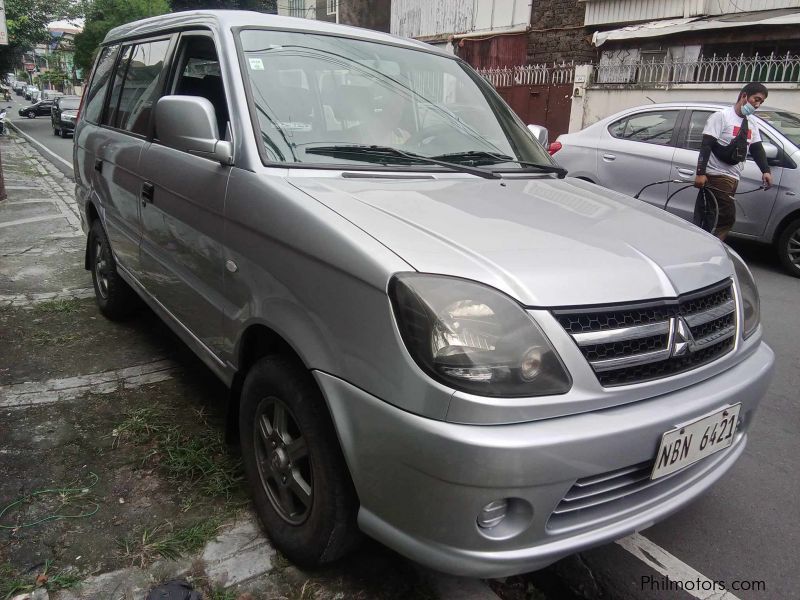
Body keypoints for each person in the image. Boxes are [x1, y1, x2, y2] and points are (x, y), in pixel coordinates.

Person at [694, 82, 773, 240]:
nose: (757, 105)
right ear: (744, 96)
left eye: (761, 102)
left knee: (713, 217)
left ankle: (704, 244)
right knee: (725, 218)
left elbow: (756, 148)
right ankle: (711, 248)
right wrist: (700, 173)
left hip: (733, 177)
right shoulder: (722, 116)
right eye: (756, 99)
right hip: (716, 176)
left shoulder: (752, 122)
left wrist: (766, 170)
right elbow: (706, 145)